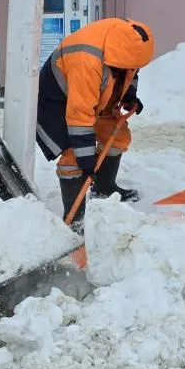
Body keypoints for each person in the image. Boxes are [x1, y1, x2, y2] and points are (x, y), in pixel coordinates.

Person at [35, 17, 155, 231]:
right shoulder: (87, 61)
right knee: (74, 157)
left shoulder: (129, 41)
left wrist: (129, 95)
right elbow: (80, 117)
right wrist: (87, 161)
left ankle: (104, 188)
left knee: (117, 137)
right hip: (58, 103)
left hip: (93, 97)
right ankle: (75, 220)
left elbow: (131, 71)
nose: (135, 69)